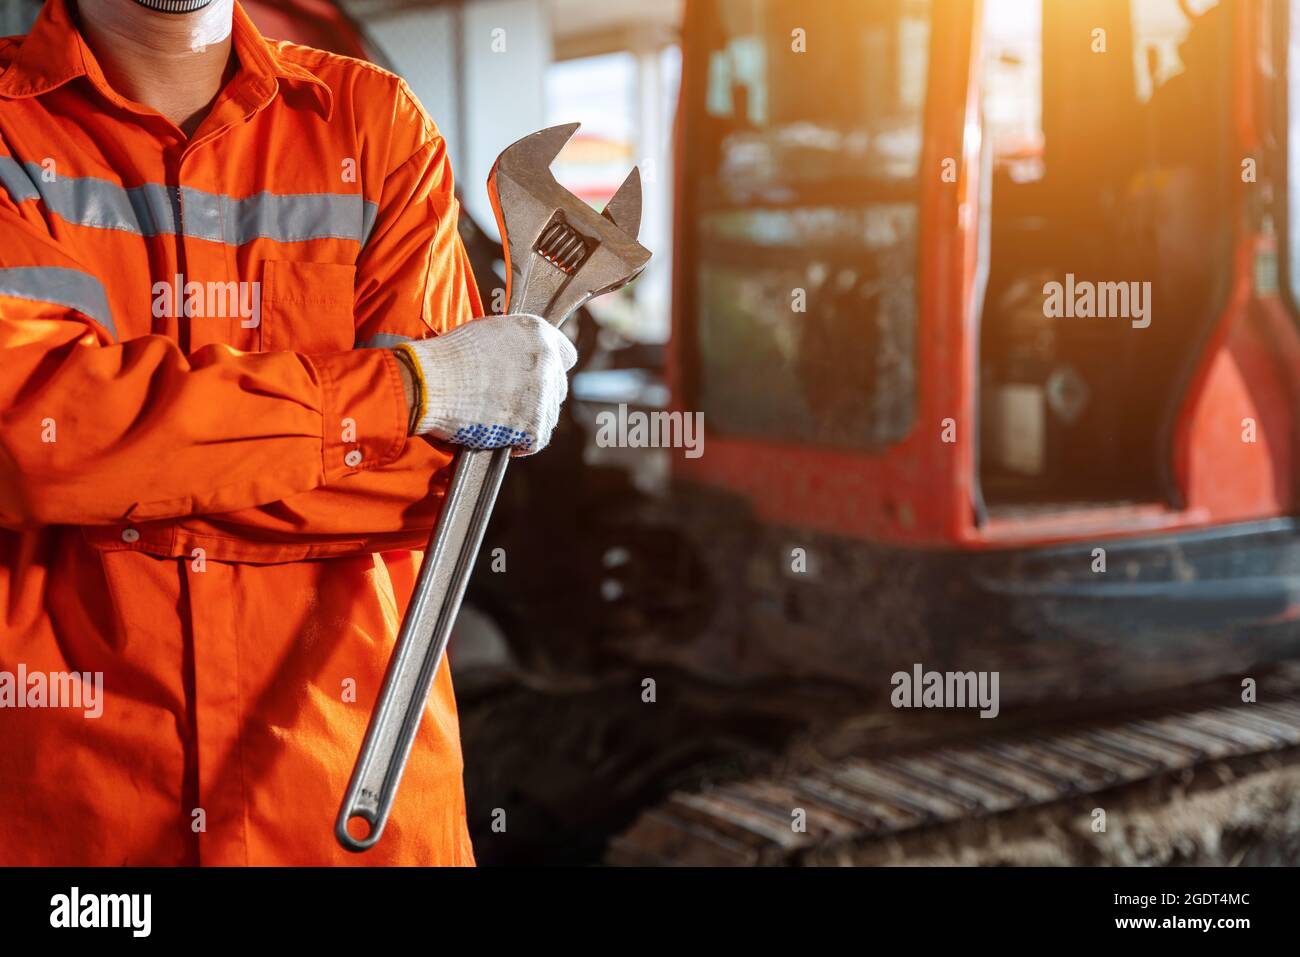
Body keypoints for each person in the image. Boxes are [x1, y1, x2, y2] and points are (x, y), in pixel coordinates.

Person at [0, 0, 576, 865]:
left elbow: (435, 483)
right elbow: (31, 439)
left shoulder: (376, 127)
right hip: (75, 833)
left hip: (356, 815)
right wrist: (408, 389)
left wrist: (116, 474)